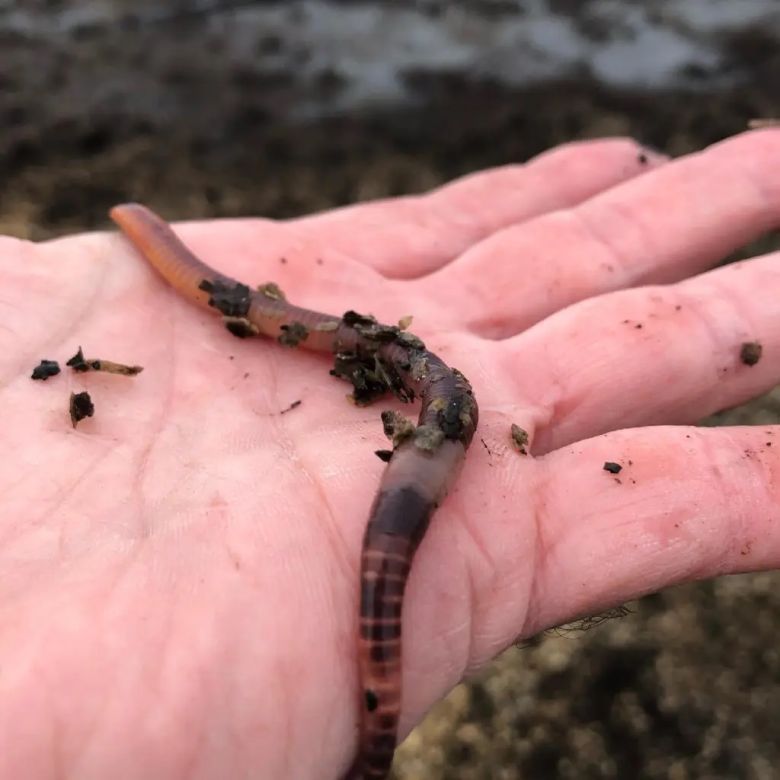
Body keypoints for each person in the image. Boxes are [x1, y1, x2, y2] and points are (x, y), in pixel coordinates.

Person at [2, 129, 779, 779]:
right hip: (435, 398)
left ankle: (371, 754)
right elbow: (241, 303)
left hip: (441, 405)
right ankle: (370, 755)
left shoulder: (437, 398)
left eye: (140, 229)